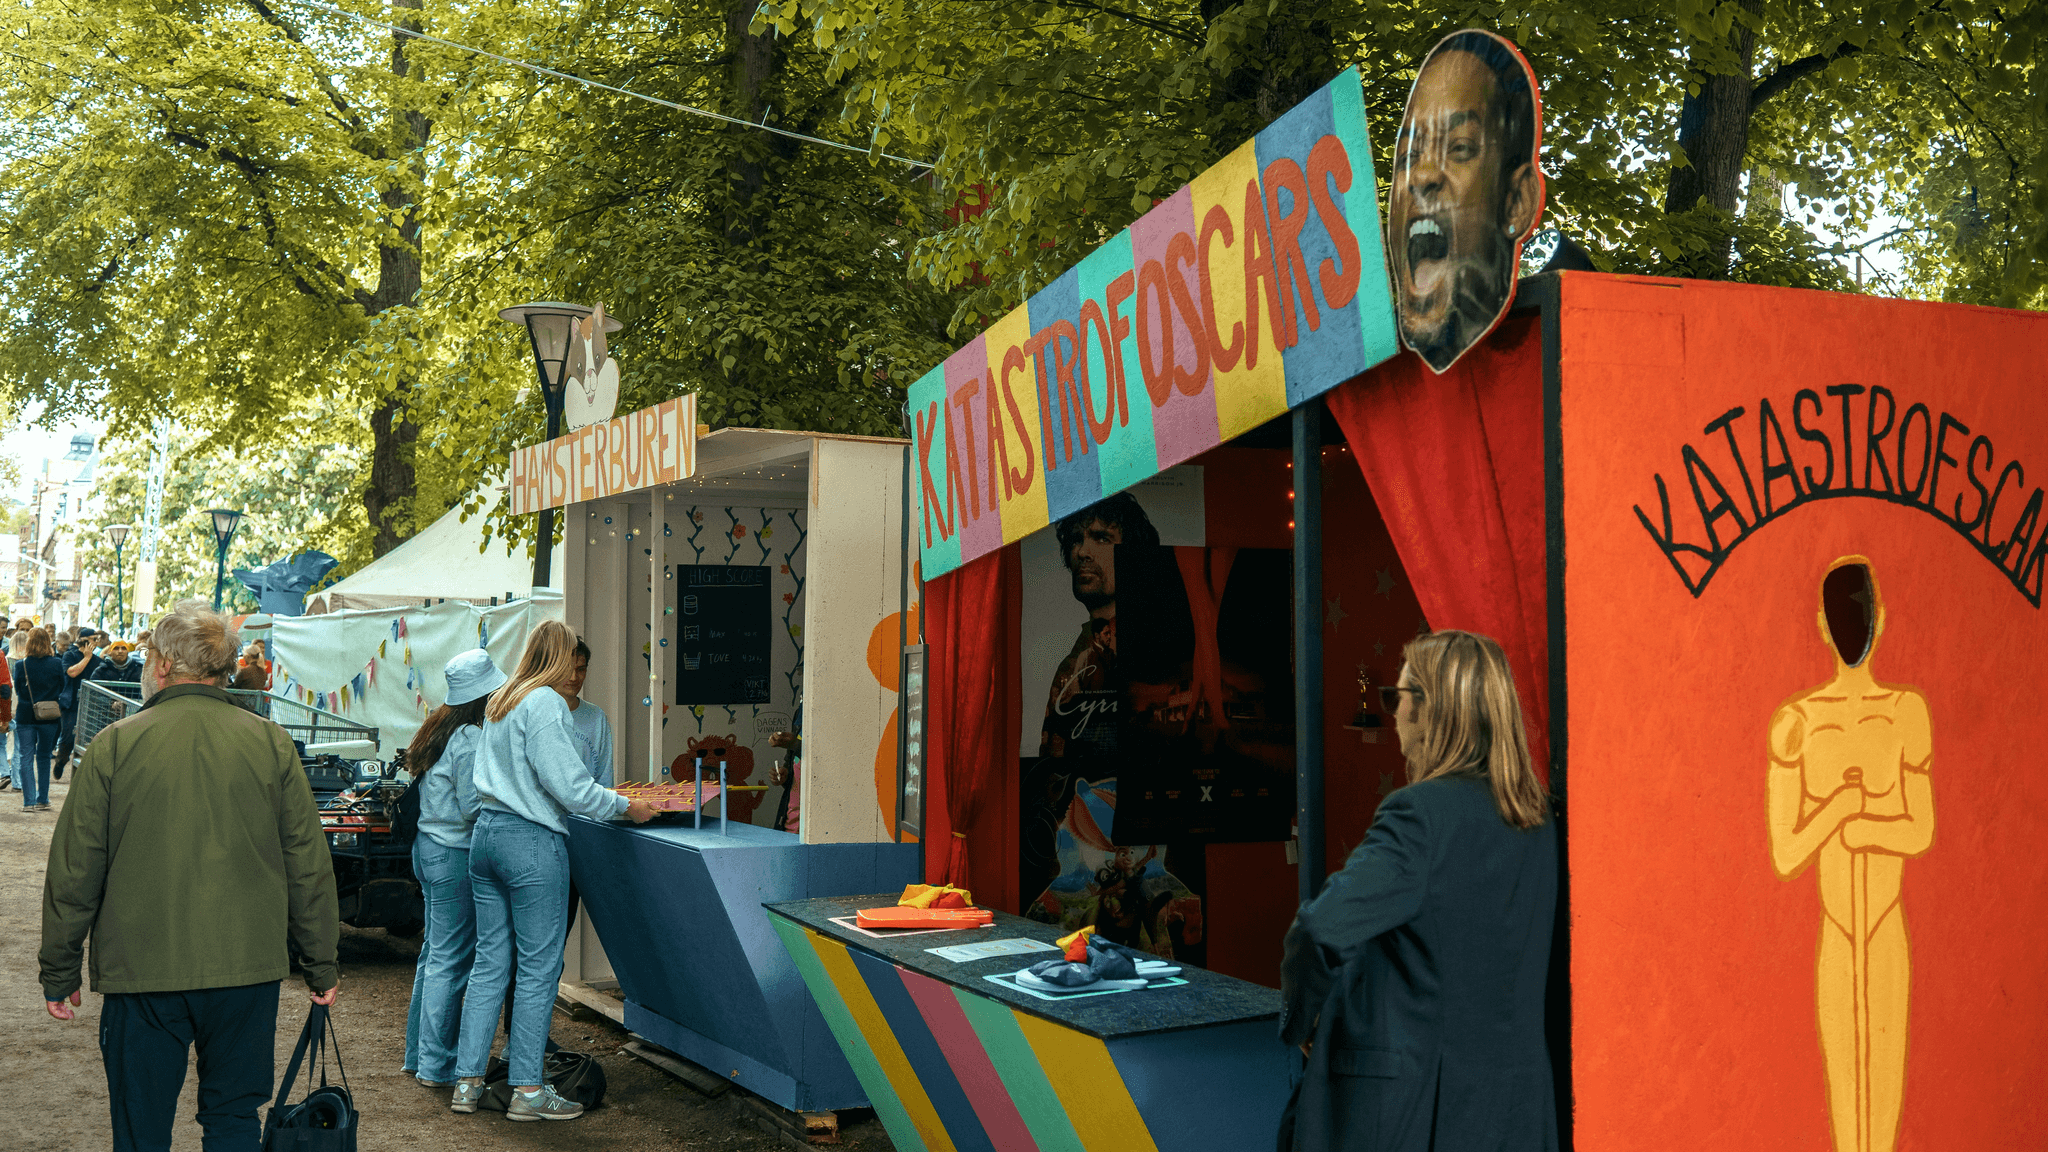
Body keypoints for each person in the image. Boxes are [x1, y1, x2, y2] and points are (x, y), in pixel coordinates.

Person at [40, 599, 340, 1150]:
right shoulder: (270, 743)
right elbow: (307, 862)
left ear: (161, 665)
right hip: (244, 966)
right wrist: (321, 963)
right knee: (234, 1116)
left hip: (142, 967)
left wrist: (60, 969)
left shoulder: (115, 744)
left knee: (141, 1124)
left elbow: (76, 868)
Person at [1278, 629, 1558, 1152]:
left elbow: (1320, 928)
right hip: (1518, 1111)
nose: (1392, 715)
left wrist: (1303, 1020)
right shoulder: (1540, 820)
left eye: (1396, 697)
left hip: (1420, 1109)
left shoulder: (1419, 814)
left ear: (1430, 711)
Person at [450, 621, 655, 1120]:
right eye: (570, 660)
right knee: (539, 970)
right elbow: (570, 787)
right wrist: (627, 806)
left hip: (486, 838)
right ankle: (527, 1090)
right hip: (531, 841)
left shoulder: (501, 700)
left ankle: (467, 1083)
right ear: (558, 657)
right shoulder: (543, 703)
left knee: (490, 966)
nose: (575, 672)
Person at [1768, 560, 1932, 1152]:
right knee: (1845, 1082)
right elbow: (1786, 852)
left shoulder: (1904, 712)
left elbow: (1921, 830)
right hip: (1836, 928)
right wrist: (1839, 807)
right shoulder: (1798, 723)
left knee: (1885, 1079)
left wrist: (1860, 828)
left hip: (1887, 924)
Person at [1386, 29, 1544, 373]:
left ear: (1517, 200)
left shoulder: (1549, 357)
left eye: (1459, 148)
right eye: (1408, 156)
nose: (1421, 175)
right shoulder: (1364, 381)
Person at [403, 649, 503, 1089]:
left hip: (427, 848)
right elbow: (472, 807)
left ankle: (419, 1056)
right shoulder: (469, 737)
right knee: (450, 960)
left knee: (434, 956)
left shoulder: (439, 727)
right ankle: (437, 1065)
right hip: (453, 854)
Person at [1039, 492, 1160, 759]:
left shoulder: (1148, 642)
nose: (1082, 552)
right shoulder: (1081, 651)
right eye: (1075, 540)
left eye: (1102, 538)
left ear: (1133, 553)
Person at [556, 637, 612, 938]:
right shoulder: (538, 713)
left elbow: (604, 779)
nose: (574, 677)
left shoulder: (595, 717)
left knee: (562, 925)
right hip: (544, 834)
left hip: (580, 837)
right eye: (568, 668)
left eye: (581, 669)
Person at [14, 627, 66, 812]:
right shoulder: (57, 663)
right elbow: (62, 686)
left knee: (26, 757)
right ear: (48, 642)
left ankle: (29, 802)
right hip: (49, 716)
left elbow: (18, 690)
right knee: (44, 756)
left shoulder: (21, 665)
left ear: (29, 642)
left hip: (25, 714)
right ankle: (43, 798)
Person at [54, 627, 104, 778]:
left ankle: (83, 774)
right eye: (93, 639)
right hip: (71, 703)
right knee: (68, 737)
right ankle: (61, 761)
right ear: (84, 640)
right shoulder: (70, 655)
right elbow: (72, 672)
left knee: (89, 740)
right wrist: (86, 658)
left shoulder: (98, 660)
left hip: (91, 705)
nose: (96, 642)